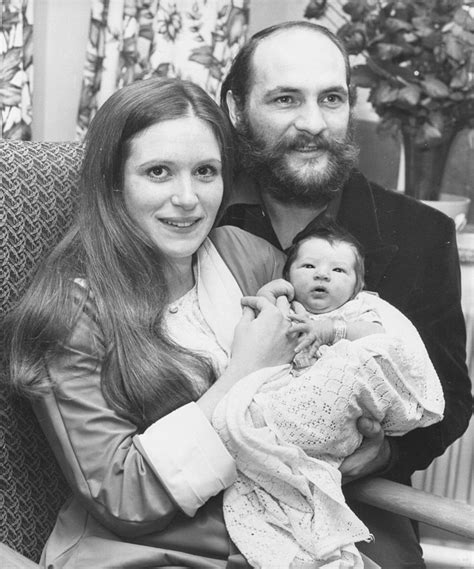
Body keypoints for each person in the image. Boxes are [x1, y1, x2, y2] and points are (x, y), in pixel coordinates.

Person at [7, 77, 301, 569]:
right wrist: (242, 374)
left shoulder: (249, 258)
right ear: (113, 182)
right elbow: (124, 497)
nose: (188, 198)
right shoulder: (73, 315)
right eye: (159, 172)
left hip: (274, 543)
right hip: (140, 554)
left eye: (206, 171)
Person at [218, 20, 472, 568]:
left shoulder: (421, 234)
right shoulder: (197, 214)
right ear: (237, 109)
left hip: (356, 503)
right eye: (286, 99)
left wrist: (386, 453)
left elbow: (450, 393)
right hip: (209, 490)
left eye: (330, 99)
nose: (313, 123)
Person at [212, 221, 444, 569]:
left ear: (357, 285)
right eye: (308, 267)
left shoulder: (357, 312)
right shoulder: (287, 311)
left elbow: (382, 344)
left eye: (338, 270)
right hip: (282, 402)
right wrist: (270, 294)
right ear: (288, 273)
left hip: (338, 418)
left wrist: (334, 329)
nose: (322, 276)